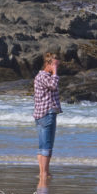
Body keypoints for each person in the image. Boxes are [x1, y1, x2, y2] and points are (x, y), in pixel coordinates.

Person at [33, 52, 61, 181]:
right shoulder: (43, 76)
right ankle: (44, 173)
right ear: (48, 64)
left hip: (40, 114)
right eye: (55, 64)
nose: (57, 67)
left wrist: (54, 71)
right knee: (47, 146)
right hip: (46, 113)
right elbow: (53, 85)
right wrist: (55, 71)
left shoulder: (41, 76)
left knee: (42, 145)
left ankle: (44, 172)